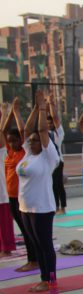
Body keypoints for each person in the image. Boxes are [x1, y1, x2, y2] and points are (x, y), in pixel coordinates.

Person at [17, 90, 60, 292]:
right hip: (26, 207)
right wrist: (35, 107)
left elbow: (42, 131)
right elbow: (27, 130)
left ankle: (49, 279)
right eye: (30, 141)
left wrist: (43, 108)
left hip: (42, 208)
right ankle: (44, 277)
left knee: (45, 246)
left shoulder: (47, 156)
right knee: (35, 244)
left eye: (35, 141)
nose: (31, 142)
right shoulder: (28, 154)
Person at [3, 98, 38, 272]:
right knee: (24, 231)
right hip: (11, 197)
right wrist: (7, 113)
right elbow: (3, 130)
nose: (12, 143)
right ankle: (33, 259)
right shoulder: (9, 152)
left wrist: (16, 112)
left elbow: (23, 130)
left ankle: (34, 260)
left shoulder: (24, 152)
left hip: (22, 198)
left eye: (15, 141)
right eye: (9, 141)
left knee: (28, 231)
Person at [44, 92, 67, 215]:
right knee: (51, 185)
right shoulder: (46, 133)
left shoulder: (59, 133)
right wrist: (45, 105)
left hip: (58, 162)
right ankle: (55, 206)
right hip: (48, 163)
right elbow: (44, 118)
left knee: (58, 185)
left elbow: (55, 118)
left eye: (51, 123)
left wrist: (51, 104)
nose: (49, 125)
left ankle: (62, 207)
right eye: (48, 123)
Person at [0, 104, 16, 258]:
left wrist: (5, 114)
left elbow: (2, 131)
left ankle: (7, 248)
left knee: (4, 223)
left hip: (2, 194)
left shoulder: (2, 149)